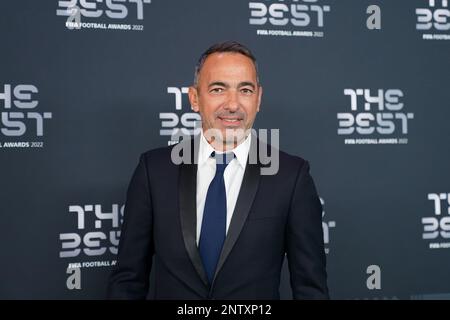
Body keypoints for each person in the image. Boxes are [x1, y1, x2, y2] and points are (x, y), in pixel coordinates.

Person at [107, 41, 329, 299]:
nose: (233, 104)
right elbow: (127, 280)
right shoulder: (153, 171)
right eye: (218, 89)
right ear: (194, 98)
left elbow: (310, 289)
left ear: (258, 99)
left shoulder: (291, 177)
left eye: (245, 90)